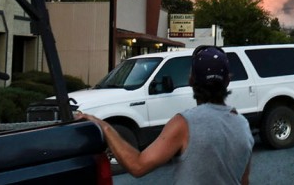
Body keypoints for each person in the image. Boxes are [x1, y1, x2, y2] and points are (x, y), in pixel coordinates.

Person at [78, 45, 254, 184]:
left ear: (191, 80)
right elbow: (243, 181)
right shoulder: (243, 125)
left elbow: (138, 166)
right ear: (228, 80)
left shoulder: (184, 124)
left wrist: (104, 126)